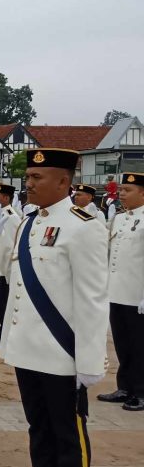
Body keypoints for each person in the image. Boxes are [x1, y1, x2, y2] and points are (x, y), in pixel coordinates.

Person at [0, 148, 107, 467]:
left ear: (63, 182)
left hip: (61, 352)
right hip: (28, 348)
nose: (29, 183)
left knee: (67, 435)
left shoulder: (83, 227)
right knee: (39, 430)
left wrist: (90, 359)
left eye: (38, 178)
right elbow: (13, 273)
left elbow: (92, 299)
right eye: (29, 177)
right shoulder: (29, 223)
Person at [98, 172, 144, 411]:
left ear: (142, 193)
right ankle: (125, 387)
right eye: (122, 190)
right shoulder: (119, 219)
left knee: (140, 346)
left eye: (127, 190)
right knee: (122, 344)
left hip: (137, 295)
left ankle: (141, 392)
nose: (122, 194)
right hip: (117, 292)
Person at [0, 182, 22, 349]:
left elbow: (12, 243)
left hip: (5, 269)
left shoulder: (11, 217)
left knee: (4, 304)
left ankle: (4, 337)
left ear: (7, 198)